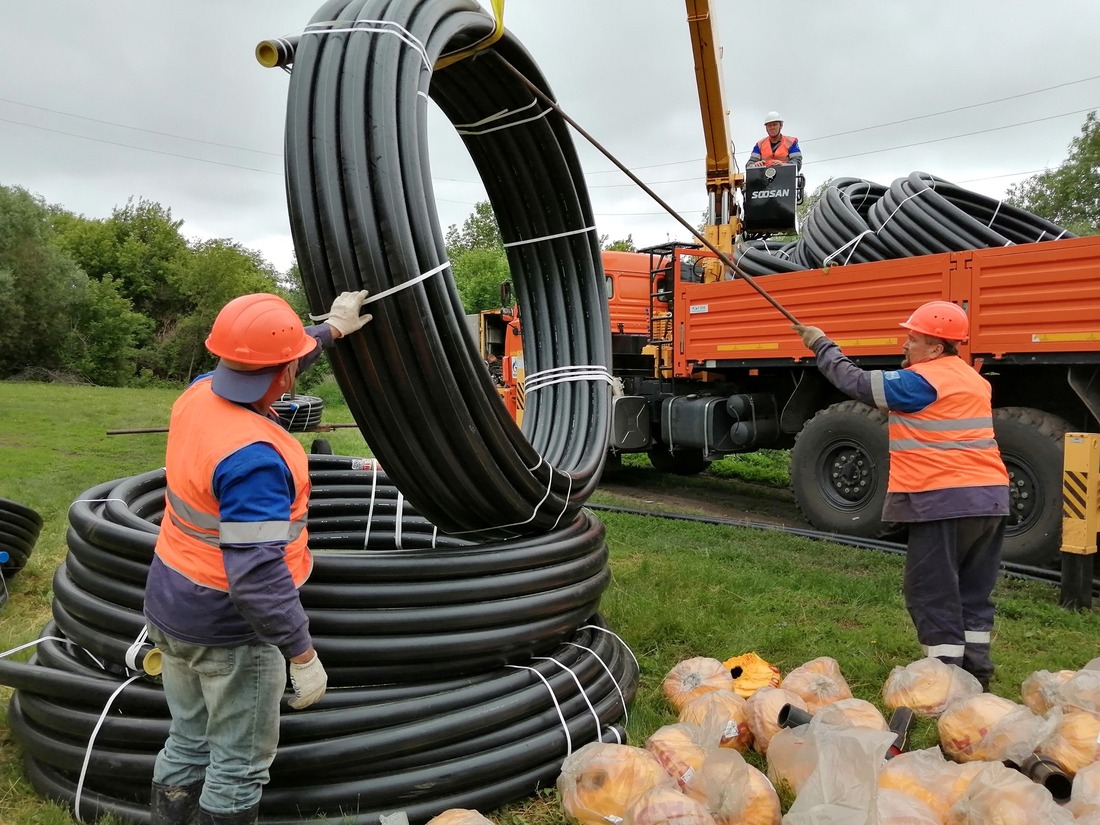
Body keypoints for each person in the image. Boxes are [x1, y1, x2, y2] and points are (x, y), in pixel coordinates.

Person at [145, 290, 372, 825]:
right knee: (239, 763)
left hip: (170, 604)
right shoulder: (254, 461)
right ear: (286, 373)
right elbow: (255, 574)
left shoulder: (199, 394)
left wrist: (331, 330)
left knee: (188, 738)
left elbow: (267, 360)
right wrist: (301, 653)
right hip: (230, 630)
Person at [793, 301, 1010, 691]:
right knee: (973, 590)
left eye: (913, 338)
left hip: (944, 500)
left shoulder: (924, 380)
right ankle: (978, 673)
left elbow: (858, 384)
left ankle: (944, 680)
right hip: (990, 499)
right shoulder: (972, 379)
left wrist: (822, 346)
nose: (905, 344)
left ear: (936, 346)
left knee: (931, 590)